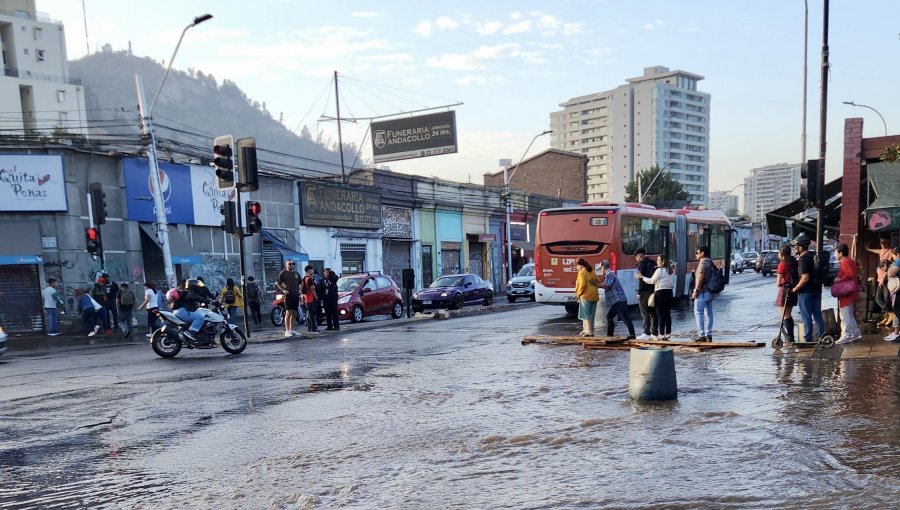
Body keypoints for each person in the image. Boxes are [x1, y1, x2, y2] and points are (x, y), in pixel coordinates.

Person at [790, 233, 825, 343]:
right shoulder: (813, 255)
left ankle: (808, 338)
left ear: (800, 247)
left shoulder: (803, 259)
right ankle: (822, 335)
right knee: (817, 313)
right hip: (817, 290)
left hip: (806, 292)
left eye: (795, 247)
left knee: (806, 315)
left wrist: (795, 289)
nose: (794, 249)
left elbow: (805, 278)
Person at [639, 254, 675, 340]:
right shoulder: (671, 270)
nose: (657, 262)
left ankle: (661, 333)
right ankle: (668, 333)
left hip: (660, 293)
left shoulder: (659, 270)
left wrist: (642, 277)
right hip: (669, 292)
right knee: (667, 313)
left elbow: (651, 281)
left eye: (659, 260)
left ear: (662, 262)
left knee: (660, 314)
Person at [597, 259, 636, 339]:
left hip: (619, 300)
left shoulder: (610, 274)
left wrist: (594, 284)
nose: (600, 270)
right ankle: (609, 335)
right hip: (616, 302)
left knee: (625, 319)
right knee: (609, 316)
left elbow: (607, 286)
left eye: (600, 268)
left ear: (603, 267)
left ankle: (632, 336)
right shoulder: (608, 275)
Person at [833, 243, 863, 345]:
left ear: (840, 253)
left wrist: (840, 279)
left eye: (835, 252)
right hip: (850, 291)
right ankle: (855, 333)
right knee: (849, 314)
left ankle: (846, 335)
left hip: (846, 292)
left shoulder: (845, 261)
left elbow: (850, 273)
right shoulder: (849, 260)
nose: (835, 255)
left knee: (845, 315)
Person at [866, 237, 894, 327]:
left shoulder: (890, 252)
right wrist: (868, 248)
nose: (882, 244)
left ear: (887, 243)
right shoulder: (882, 251)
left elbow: (889, 267)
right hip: (880, 279)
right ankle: (889, 313)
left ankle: (890, 314)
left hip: (885, 280)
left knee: (886, 299)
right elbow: (876, 251)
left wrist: (883, 280)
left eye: (883, 242)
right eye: (881, 242)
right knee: (878, 298)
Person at [775, 245, 800, 344]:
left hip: (784, 290)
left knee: (785, 315)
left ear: (782, 254)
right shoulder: (794, 262)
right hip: (792, 290)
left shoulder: (782, 264)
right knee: (788, 314)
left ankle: (790, 337)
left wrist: (779, 283)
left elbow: (778, 282)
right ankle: (790, 336)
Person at [691, 246, 715, 342]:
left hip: (702, 292)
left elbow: (700, 277)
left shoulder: (702, 263)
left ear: (702, 253)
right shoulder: (710, 262)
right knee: (709, 313)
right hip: (709, 291)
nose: (696, 255)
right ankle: (709, 334)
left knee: (698, 313)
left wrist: (695, 290)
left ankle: (701, 335)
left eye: (697, 253)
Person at [634, 248, 657, 341]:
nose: (636, 260)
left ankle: (646, 333)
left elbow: (641, 280)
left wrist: (639, 292)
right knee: (653, 313)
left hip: (644, 292)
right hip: (653, 291)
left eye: (636, 258)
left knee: (644, 312)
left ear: (639, 256)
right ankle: (654, 332)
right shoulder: (653, 263)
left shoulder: (641, 265)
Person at [575, 258, 601, 337]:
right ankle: (585, 330)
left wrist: (578, 294)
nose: (577, 268)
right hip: (594, 294)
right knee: (591, 314)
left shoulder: (581, 272)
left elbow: (582, 284)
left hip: (586, 295)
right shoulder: (591, 270)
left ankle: (589, 331)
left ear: (580, 265)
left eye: (577, 266)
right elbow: (598, 281)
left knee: (586, 314)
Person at [277, 260, 301, 337]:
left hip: (296, 295)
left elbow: (300, 282)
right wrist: (283, 290)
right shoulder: (283, 273)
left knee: (294, 313)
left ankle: (292, 329)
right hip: (288, 296)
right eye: (289, 264)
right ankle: (287, 331)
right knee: (288, 312)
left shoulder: (296, 273)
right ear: (286, 265)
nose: (291, 265)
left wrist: (300, 290)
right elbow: (277, 283)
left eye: (292, 264)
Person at [884, 247, 900, 342]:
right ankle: (896, 332)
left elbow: (891, 274)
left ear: (897, 254)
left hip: (899, 290)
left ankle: (896, 332)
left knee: (897, 308)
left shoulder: (898, 261)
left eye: (893, 255)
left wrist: (889, 268)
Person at [302, 265, 321, 334]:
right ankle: (314, 329)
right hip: (311, 299)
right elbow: (312, 290)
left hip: (306, 299)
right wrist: (317, 298)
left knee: (309, 314)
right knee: (312, 315)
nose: (313, 271)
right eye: (312, 270)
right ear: (308, 270)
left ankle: (309, 329)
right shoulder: (309, 279)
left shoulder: (304, 278)